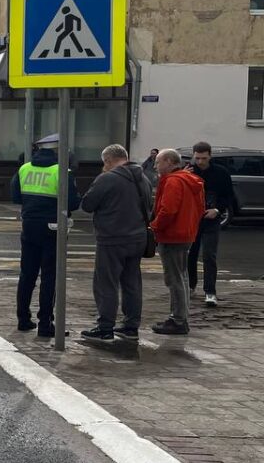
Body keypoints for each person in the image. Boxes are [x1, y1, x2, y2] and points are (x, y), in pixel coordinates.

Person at [79, 144, 153, 343]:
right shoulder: (143, 178)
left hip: (112, 238)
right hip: (138, 239)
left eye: (105, 163)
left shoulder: (107, 178)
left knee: (106, 283)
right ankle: (131, 326)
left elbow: (87, 204)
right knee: (132, 283)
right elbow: (149, 206)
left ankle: (105, 327)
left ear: (108, 160)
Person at [10, 133, 80, 338]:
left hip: (29, 225)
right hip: (53, 227)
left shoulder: (24, 168)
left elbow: (15, 197)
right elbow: (72, 202)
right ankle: (45, 324)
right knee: (50, 276)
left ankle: (23, 319)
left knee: (27, 275)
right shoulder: (61, 172)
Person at [150, 148, 205, 335]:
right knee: (181, 277)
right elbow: (200, 208)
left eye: (158, 162)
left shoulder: (174, 181)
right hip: (185, 233)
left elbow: (168, 210)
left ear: (169, 162)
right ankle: (180, 317)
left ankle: (178, 319)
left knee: (174, 278)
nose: (155, 166)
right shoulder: (190, 180)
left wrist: (154, 226)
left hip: (172, 235)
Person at [187, 141, 234, 308]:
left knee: (209, 255)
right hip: (192, 219)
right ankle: (190, 286)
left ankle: (210, 291)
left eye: (204, 158)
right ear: (193, 155)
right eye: (197, 158)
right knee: (190, 254)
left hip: (211, 219)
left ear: (210, 156)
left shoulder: (220, 173)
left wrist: (217, 209)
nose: (200, 162)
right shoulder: (188, 171)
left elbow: (228, 196)